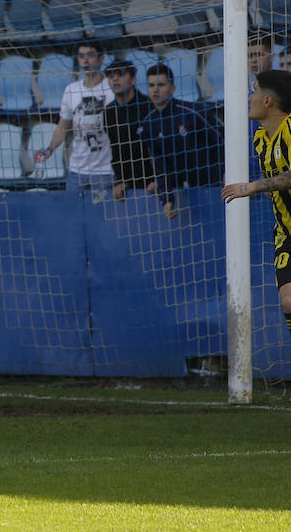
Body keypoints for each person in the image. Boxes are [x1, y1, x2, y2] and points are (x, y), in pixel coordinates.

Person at [221, 70, 291, 345]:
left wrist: (251, 187)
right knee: (288, 303)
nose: (250, 97)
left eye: (254, 91)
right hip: (286, 232)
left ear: (268, 101)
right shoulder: (261, 138)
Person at [138, 63, 224, 217]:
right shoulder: (148, 123)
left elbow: (222, 140)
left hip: (214, 187)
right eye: (151, 85)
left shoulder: (194, 112)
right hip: (184, 193)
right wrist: (167, 200)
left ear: (173, 89)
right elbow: (159, 166)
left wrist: (227, 172)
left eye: (161, 84)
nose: (155, 89)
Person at [35, 44, 116, 196]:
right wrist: (50, 148)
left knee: (103, 216)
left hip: (105, 170)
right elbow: (62, 126)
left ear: (102, 58)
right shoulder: (71, 90)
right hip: (76, 170)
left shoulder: (111, 88)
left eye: (91, 55)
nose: (85, 60)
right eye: (81, 56)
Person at [103, 58, 156, 200]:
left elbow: (161, 148)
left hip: (156, 183)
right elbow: (117, 151)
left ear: (133, 80)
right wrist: (122, 181)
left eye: (120, 74)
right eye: (110, 76)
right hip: (128, 187)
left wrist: (158, 179)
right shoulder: (108, 112)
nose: (115, 79)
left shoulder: (150, 107)